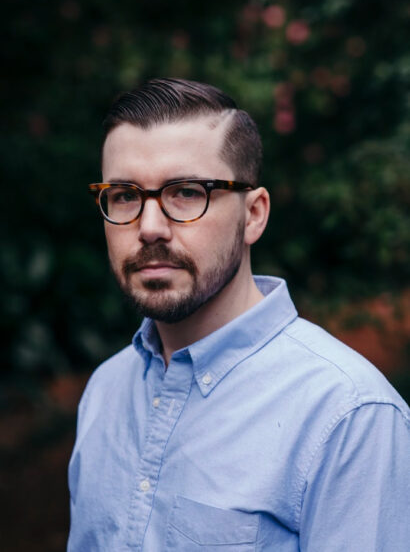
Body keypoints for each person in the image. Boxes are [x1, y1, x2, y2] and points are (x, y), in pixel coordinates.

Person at [68, 78, 410, 551]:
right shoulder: (105, 391)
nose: (148, 228)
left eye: (186, 192)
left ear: (254, 214)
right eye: (125, 195)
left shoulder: (348, 416)